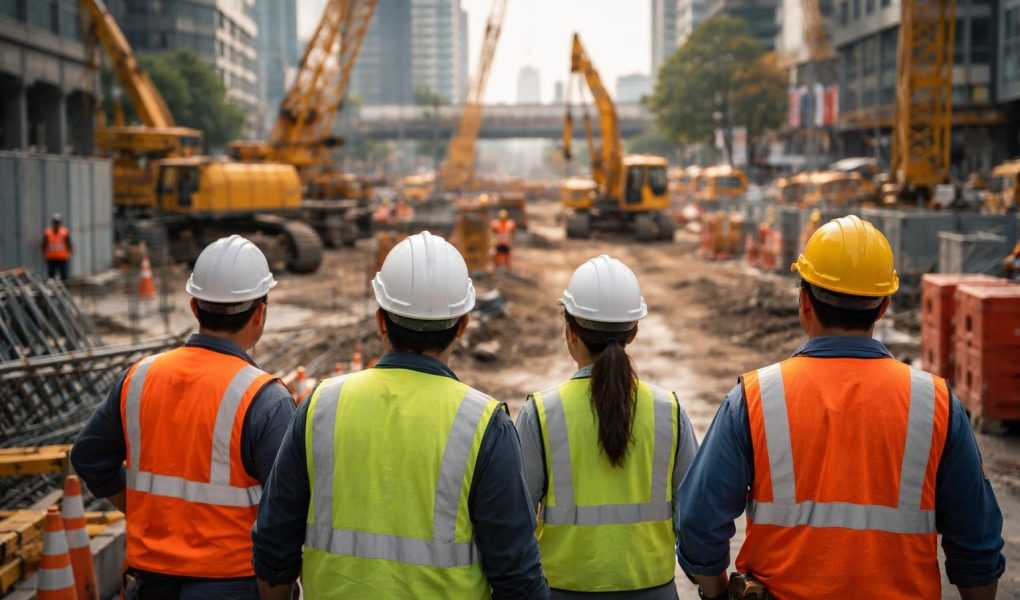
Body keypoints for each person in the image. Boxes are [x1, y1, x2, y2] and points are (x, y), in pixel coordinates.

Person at [675, 215, 1005, 600]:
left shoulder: (755, 398)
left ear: (803, 303)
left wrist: (714, 592)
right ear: (882, 308)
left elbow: (699, 521)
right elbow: (977, 543)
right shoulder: (937, 404)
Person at [253, 231, 549, 599]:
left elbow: (273, 542)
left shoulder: (319, 406)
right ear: (462, 326)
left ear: (380, 321)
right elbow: (517, 574)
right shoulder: (484, 425)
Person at [70, 235, 296, 599]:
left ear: (194, 306)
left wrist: (143, 509)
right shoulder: (266, 400)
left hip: (148, 587)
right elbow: (283, 517)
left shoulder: (138, 377)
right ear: (260, 313)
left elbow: (88, 457)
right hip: (231, 588)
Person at [516, 255, 699, 599]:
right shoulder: (669, 411)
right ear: (634, 331)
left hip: (562, 590)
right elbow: (693, 516)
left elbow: (515, 521)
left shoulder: (541, 413)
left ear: (570, 332)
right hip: (653, 589)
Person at [41, 213, 72, 281]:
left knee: (64, 276)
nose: (56, 224)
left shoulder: (64, 232)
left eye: (57, 222)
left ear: (60, 223)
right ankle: (53, 290)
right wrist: (44, 254)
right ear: (52, 223)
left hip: (62, 258)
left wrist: (70, 252)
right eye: (55, 222)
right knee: (51, 276)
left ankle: (64, 290)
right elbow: (44, 245)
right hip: (51, 258)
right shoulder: (48, 233)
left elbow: (68, 243)